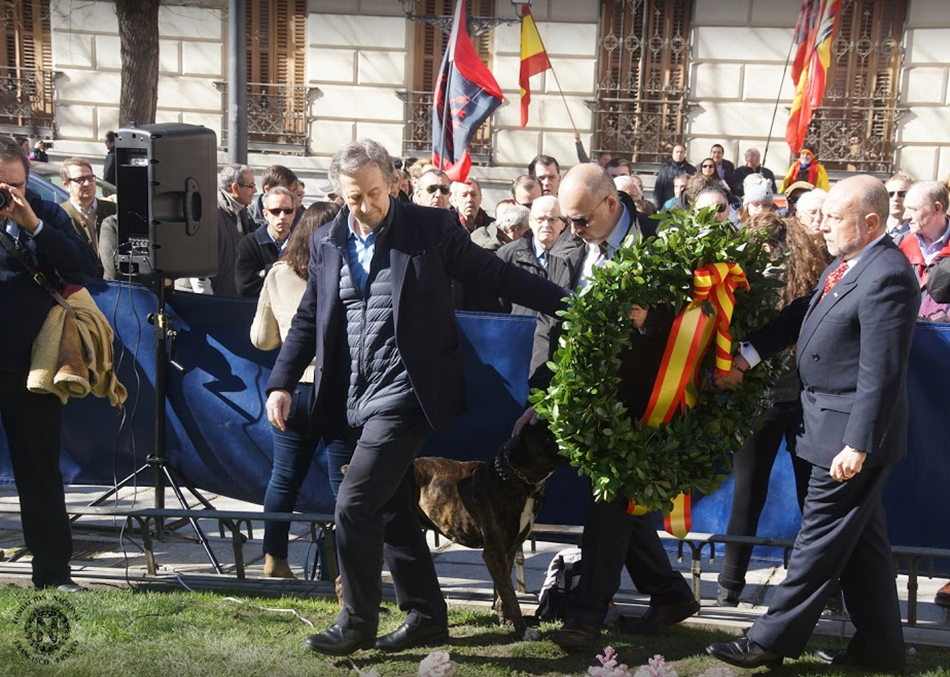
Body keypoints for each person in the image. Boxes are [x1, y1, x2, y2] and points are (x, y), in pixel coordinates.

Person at [265, 139, 567, 657]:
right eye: (354, 198)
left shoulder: (429, 230)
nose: (366, 207)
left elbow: (494, 273)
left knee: (354, 503)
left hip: (407, 393)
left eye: (375, 194)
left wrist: (571, 304)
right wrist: (281, 382)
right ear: (339, 194)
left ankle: (356, 620)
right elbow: (311, 317)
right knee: (389, 508)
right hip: (350, 395)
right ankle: (426, 615)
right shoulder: (326, 241)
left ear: (394, 183)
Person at [707, 175, 919, 672]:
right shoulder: (849, 265)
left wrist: (858, 443)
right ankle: (881, 650)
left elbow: (881, 373)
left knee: (818, 541)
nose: (821, 225)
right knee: (863, 547)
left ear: (870, 223)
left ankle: (768, 640)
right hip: (827, 426)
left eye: (834, 217)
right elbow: (803, 313)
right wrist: (748, 356)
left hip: (848, 438)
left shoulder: (887, 274)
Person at [517, 164, 699, 650]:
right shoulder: (566, 249)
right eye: (566, 221)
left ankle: (586, 615)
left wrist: (651, 319)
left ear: (612, 204)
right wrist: (541, 394)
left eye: (579, 220)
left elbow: (696, 314)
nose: (571, 230)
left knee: (611, 501)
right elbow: (547, 327)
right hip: (585, 401)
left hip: (648, 399)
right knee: (621, 504)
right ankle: (670, 593)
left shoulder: (662, 239)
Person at [0, 135, 100, 592]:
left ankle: (54, 572)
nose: (9, 193)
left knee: (39, 471)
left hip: (30, 364)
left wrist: (35, 223)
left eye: (15, 183)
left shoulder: (42, 209)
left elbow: (87, 267)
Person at [715, 211, 828, 607]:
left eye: (771, 249)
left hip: (797, 400)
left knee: (805, 497)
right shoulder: (745, 282)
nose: (765, 256)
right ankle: (730, 586)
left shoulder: (804, 283)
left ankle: (820, 590)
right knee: (753, 493)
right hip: (768, 400)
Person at [251, 201, 342, 579]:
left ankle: (275, 560)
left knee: (284, 478)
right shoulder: (347, 269)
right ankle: (342, 569)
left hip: (293, 390)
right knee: (345, 484)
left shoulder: (278, 274)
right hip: (339, 390)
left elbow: (261, 338)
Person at [496, 197, 565, 316]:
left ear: (562, 224)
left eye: (552, 219)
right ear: (531, 222)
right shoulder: (507, 255)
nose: (546, 225)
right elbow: (498, 304)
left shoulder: (573, 255)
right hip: (520, 330)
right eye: (540, 219)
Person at [899, 180, 950, 321]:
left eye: (913, 209)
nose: (905, 216)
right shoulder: (898, 246)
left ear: (937, 209)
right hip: (907, 337)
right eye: (905, 208)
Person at [236, 186, 296, 298]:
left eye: (287, 211)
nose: (282, 217)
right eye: (276, 211)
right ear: (265, 214)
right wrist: (278, 271)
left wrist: (263, 273)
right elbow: (245, 286)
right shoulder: (250, 243)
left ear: (293, 214)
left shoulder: (302, 244)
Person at [59, 157, 116, 267]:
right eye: (80, 179)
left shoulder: (113, 210)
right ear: (67, 185)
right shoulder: (60, 214)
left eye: (90, 178)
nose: (87, 183)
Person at [214, 164, 257, 297]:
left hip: (232, 298)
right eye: (251, 186)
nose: (255, 190)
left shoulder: (243, 212)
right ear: (235, 188)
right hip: (209, 301)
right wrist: (207, 298)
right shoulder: (212, 212)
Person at [653, 144, 695, 210]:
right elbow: (658, 190)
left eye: (681, 152)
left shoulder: (691, 170)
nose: (679, 154)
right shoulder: (665, 170)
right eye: (677, 152)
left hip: (686, 207)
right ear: (672, 153)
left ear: (685, 153)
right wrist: (658, 208)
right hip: (668, 207)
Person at [885, 172, 914, 241]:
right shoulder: (875, 229)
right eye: (890, 194)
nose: (895, 198)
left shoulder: (918, 231)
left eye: (902, 194)